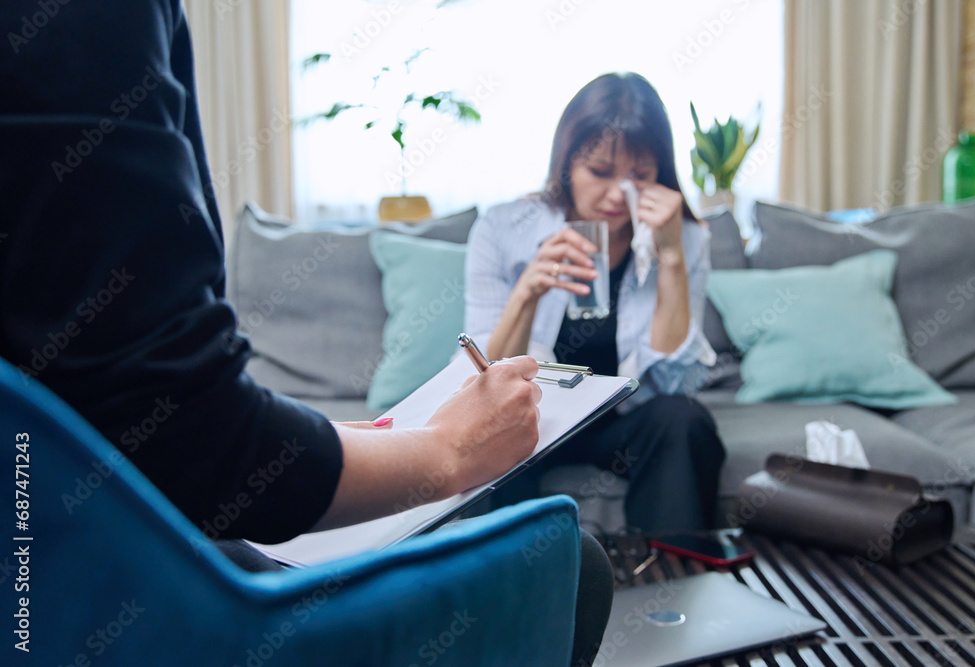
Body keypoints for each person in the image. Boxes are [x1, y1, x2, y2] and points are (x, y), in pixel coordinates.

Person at [0, 2, 610, 664]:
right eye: (602, 170)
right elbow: (191, 436)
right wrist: (444, 452)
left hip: (57, 545)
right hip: (74, 582)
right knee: (577, 561)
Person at [464, 72, 726, 534]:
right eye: (599, 172)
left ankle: (672, 580)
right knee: (494, 431)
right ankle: (512, 590)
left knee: (684, 420)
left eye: (638, 177)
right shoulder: (503, 229)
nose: (615, 195)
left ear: (659, 174)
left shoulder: (684, 236)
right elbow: (483, 381)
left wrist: (670, 257)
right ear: (566, 164)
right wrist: (528, 291)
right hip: (536, 420)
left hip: (621, 421)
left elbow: (675, 382)